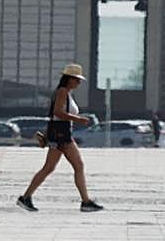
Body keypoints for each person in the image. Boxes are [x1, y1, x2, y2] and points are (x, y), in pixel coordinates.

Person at [17, 64, 103, 213]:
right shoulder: (62, 92)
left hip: (62, 133)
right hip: (61, 134)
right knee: (73, 166)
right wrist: (78, 119)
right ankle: (85, 201)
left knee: (53, 167)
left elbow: (54, 115)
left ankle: (26, 197)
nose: (78, 83)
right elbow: (58, 112)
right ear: (69, 79)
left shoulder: (65, 92)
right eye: (76, 79)